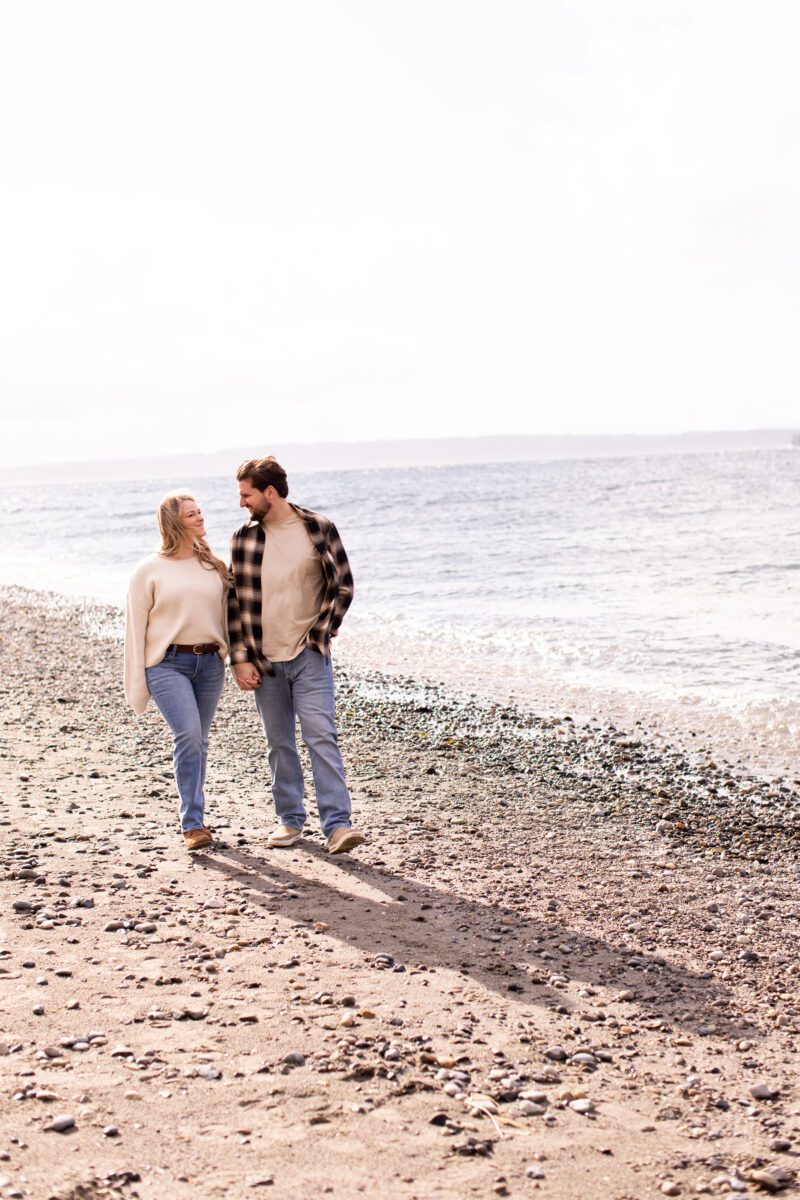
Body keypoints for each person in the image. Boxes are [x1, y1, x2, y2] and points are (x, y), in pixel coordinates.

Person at [228, 455, 365, 854]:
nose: (241, 503)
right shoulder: (244, 539)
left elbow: (344, 587)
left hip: (309, 655)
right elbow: (234, 603)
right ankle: (289, 820)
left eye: (246, 494)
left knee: (321, 735)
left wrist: (318, 637)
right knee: (279, 742)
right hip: (264, 660)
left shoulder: (318, 528)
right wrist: (240, 658)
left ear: (270, 492)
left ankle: (337, 825)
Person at [124, 492, 229, 851]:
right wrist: (137, 681)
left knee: (199, 739)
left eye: (200, 511)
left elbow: (230, 616)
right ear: (173, 523)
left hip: (211, 663)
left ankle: (196, 816)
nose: (200, 517)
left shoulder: (215, 565)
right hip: (167, 664)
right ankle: (193, 824)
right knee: (187, 734)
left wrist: (237, 656)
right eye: (191, 514)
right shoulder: (148, 570)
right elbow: (135, 629)